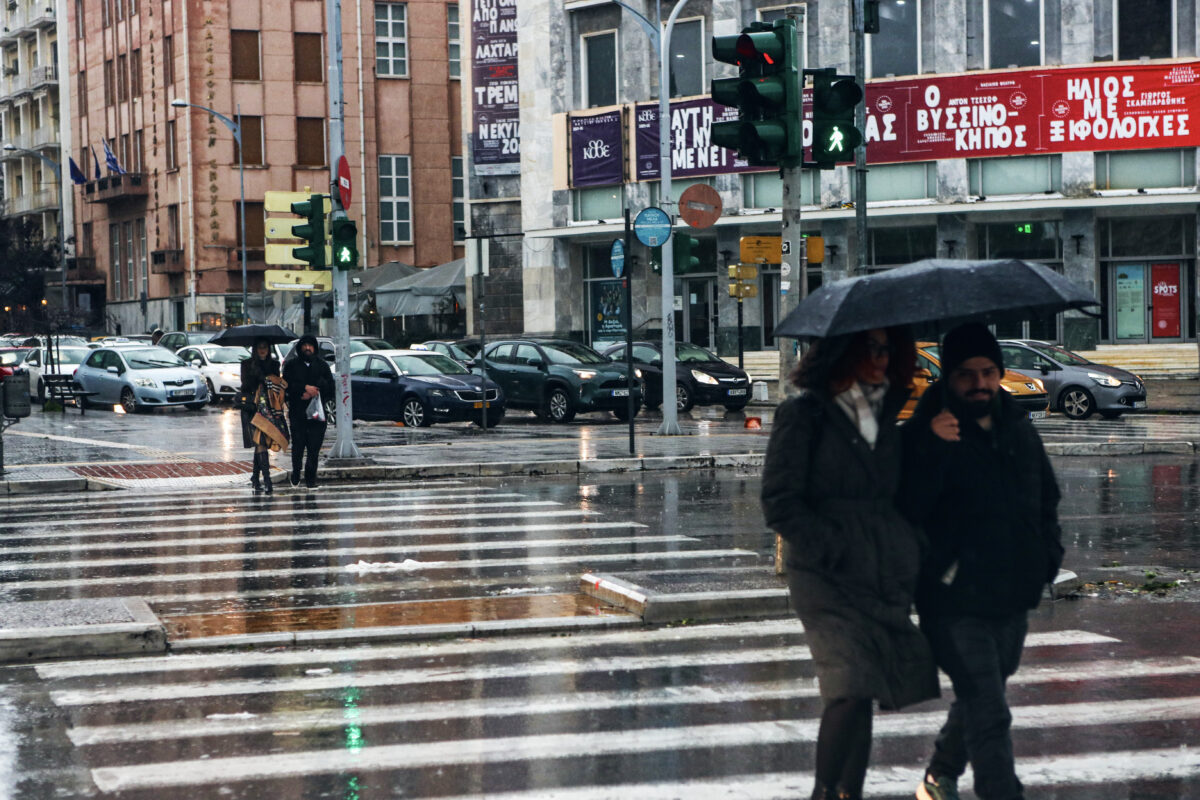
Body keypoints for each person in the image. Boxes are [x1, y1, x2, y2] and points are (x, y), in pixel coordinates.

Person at [762, 327, 938, 800]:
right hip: (825, 575)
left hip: (879, 572)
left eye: (888, 349)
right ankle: (825, 791)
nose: (881, 358)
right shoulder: (804, 414)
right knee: (848, 683)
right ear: (843, 353)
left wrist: (910, 547)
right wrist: (834, 547)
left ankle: (847, 793)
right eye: (871, 348)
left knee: (864, 687)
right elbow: (779, 501)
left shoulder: (882, 413)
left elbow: (899, 493)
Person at [901, 322, 1063, 800]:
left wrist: (1046, 559)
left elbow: (1046, 499)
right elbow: (905, 507)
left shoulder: (1017, 425)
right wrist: (931, 446)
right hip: (952, 599)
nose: (980, 383)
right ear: (948, 377)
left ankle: (938, 775)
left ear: (1000, 372)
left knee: (983, 694)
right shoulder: (925, 430)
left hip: (1012, 592)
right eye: (967, 374)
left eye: (989, 372)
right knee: (989, 709)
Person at [283, 334, 334, 489]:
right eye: (304, 345)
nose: (307, 348)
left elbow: (330, 388)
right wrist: (303, 389)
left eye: (310, 345)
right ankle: (296, 473)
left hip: (317, 415)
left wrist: (316, 391)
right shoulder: (291, 365)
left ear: (315, 348)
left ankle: (311, 479)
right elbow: (286, 385)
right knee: (298, 446)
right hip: (298, 413)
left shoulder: (322, 366)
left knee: (314, 448)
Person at [240, 339, 283, 491]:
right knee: (260, 442)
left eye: (265, 347)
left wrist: (266, 377)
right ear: (255, 349)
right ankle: (266, 480)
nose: (262, 350)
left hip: (268, 408)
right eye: (259, 347)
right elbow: (245, 385)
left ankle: (255, 477)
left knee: (262, 442)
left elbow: (276, 384)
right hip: (252, 408)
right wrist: (256, 373)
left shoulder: (274, 364)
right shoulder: (247, 364)